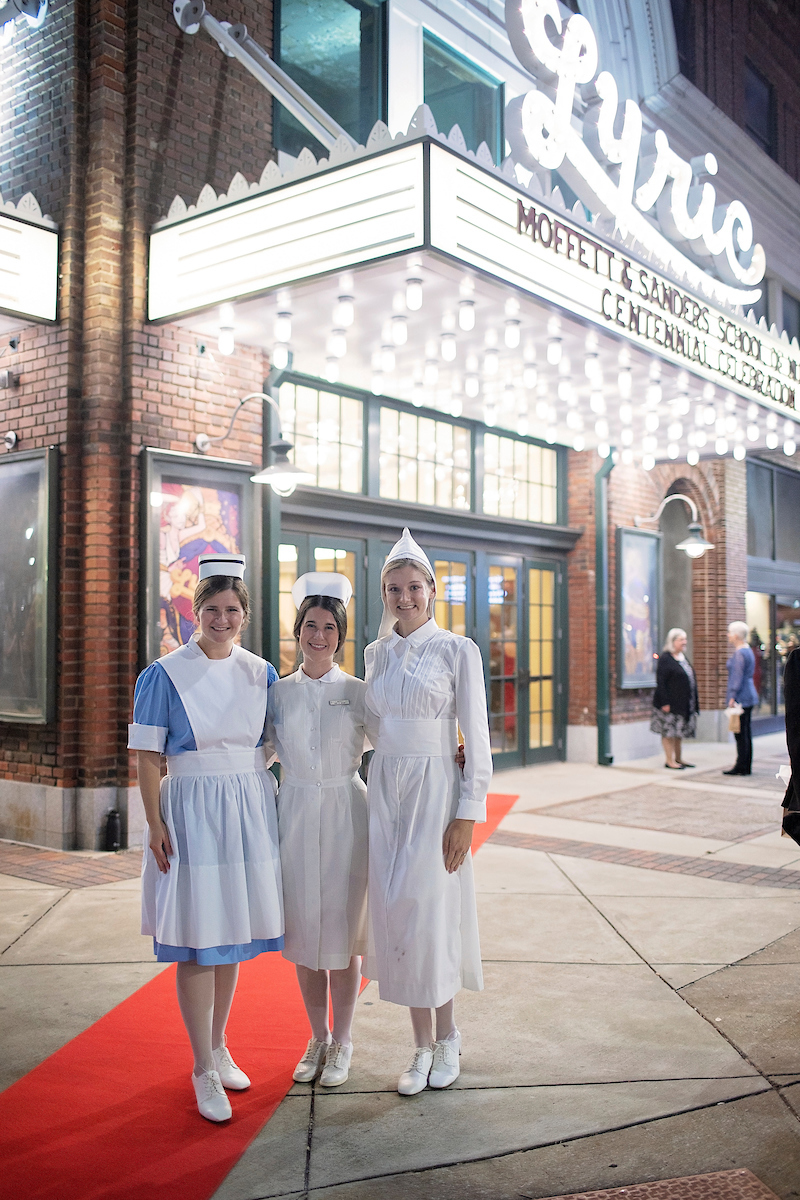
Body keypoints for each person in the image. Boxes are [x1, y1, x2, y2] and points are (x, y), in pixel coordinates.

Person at [129, 553, 284, 1123]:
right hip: (191, 810)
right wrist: (154, 823)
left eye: (233, 610)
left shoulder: (261, 671)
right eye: (213, 609)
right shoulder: (164, 674)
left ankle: (219, 1046)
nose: (223, 619)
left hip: (246, 808)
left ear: (245, 613)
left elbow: (278, 742)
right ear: (195, 611)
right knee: (199, 938)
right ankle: (200, 1066)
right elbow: (147, 758)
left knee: (231, 932)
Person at [364, 528, 493, 1096]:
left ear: (433, 590)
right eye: (394, 588)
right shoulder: (375, 653)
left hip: (437, 794)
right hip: (385, 793)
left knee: (432, 916)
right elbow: (367, 728)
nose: (404, 596)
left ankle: (449, 1036)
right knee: (396, 916)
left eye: (414, 586)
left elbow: (479, 740)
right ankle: (420, 1046)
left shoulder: (457, 651)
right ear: (384, 594)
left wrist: (467, 812)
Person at [267, 572, 371, 1089]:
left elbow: (394, 744)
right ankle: (318, 1036)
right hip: (297, 811)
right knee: (306, 934)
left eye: (330, 627)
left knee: (344, 935)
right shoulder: (278, 693)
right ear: (297, 630)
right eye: (311, 624)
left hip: (347, 813)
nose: (319, 635)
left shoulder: (357, 692)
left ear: (341, 634)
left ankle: (345, 1039)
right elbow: (258, 753)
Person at [650, 628, 699, 769]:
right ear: (673, 641)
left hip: (684, 703)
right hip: (670, 704)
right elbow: (661, 682)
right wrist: (665, 702)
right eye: (681, 639)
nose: (684, 642)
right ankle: (669, 760)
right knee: (669, 732)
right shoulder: (665, 659)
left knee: (679, 732)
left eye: (685, 639)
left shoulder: (683, 658)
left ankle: (679, 758)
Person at [724, 619, 759, 775]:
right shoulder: (748, 651)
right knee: (746, 732)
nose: (728, 636)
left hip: (741, 696)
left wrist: (732, 695)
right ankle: (745, 764)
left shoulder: (740, 653)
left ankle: (741, 765)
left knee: (740, 733)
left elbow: (736, 677)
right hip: (749, 694)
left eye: (730, 633)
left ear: (737, 635)